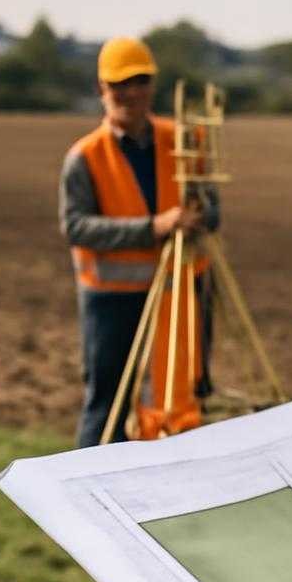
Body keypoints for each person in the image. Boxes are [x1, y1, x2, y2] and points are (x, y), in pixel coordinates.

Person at [58, 36, 219, 447]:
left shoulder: (183, 141)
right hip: (113, 299)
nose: (130, 92)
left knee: (180, 398)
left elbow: (212, 211)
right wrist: (154, 227)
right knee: (106, 402)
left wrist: (197, 218)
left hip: (180, 292)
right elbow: (76, 226)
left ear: (152, 85)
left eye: (140, 80)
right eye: (119, 83)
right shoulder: (85, 156)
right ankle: (85, 492)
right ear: (101, 89)